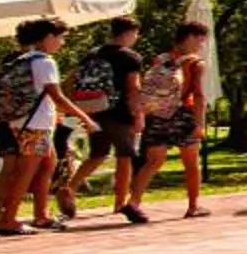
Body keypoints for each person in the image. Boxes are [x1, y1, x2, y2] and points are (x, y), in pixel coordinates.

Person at [0, 18, 101, 235]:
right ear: (48, 37)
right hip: (36, 125)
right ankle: (8, 219)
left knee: (46, 166)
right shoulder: (45, 62)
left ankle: (41, 215)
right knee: (27, 171)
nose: (61, 43)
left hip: (25, 121)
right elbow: (56, 96)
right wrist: (85, 118)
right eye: (60, 38)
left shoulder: (23, 60)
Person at [128, 20, 212, 220]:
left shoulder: (161, 59)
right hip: (183, 114)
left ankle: (133, 202)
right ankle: (193, 206)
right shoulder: (195, 63)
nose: (201, 46)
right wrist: (199, 123)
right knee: (191, 162)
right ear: (191, 37)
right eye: (200, 41)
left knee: (153, 162)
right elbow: (198, 95)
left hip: (157, 114)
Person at [67, 17, 147, 220]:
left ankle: (70, 187)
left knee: (98, 153)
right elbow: (133, 88)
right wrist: (139, 114)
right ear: (129, 33)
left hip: (93, 110)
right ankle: (120, 202)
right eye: (135, 34)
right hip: (119, 111)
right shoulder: (130, 57)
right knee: (125, 155)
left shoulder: (92, 54)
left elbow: (72, 81)